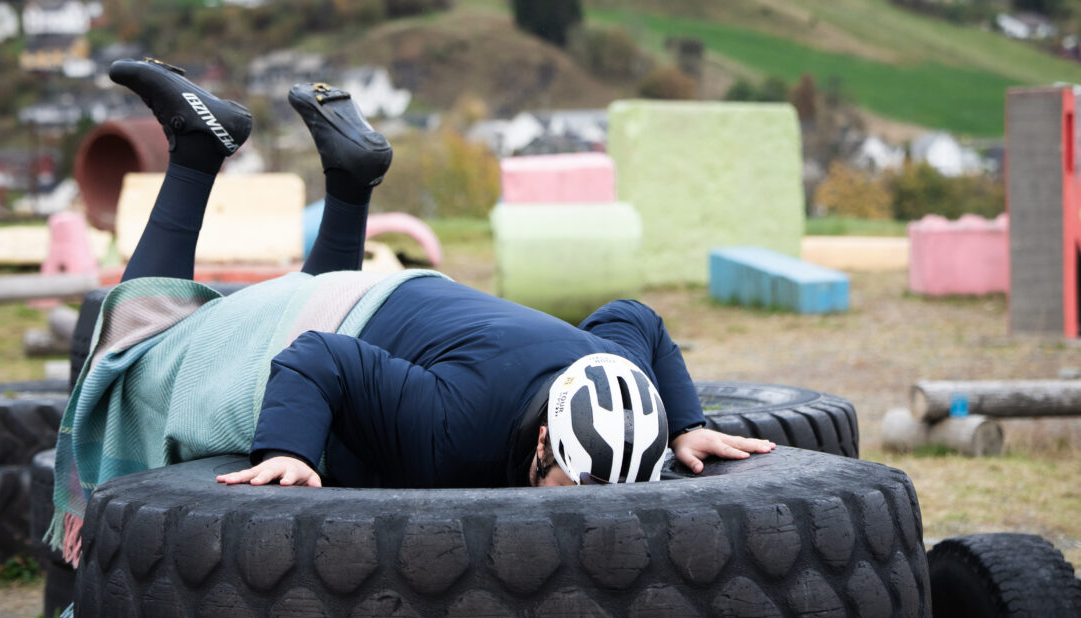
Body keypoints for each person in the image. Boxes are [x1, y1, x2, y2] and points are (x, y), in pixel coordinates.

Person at [64, 58, 774, 508]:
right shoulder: (449, 426)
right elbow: (315, 355)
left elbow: (635, 316)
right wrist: (286, 452)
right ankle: (196, 147)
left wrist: (687, 422)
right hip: (340, 320)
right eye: (575, 495)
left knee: (351, 333)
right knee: (138, 351)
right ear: (543, 446)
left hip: (417, 302)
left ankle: (351, 178)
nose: (590, 519)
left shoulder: (615, 368)